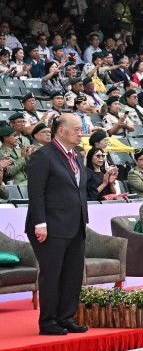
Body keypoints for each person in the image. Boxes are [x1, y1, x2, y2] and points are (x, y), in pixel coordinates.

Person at [25, 114, 90, 336]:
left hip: (76, 224)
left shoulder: (77, 156)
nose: (81, 132)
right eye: (77, 128)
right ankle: (48, 321)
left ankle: (66, 317)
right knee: (52, 274)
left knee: (72, 274)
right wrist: (40, 223)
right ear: (61, 131)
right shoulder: (43, 156)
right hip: (50, 227)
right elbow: (36, 192)